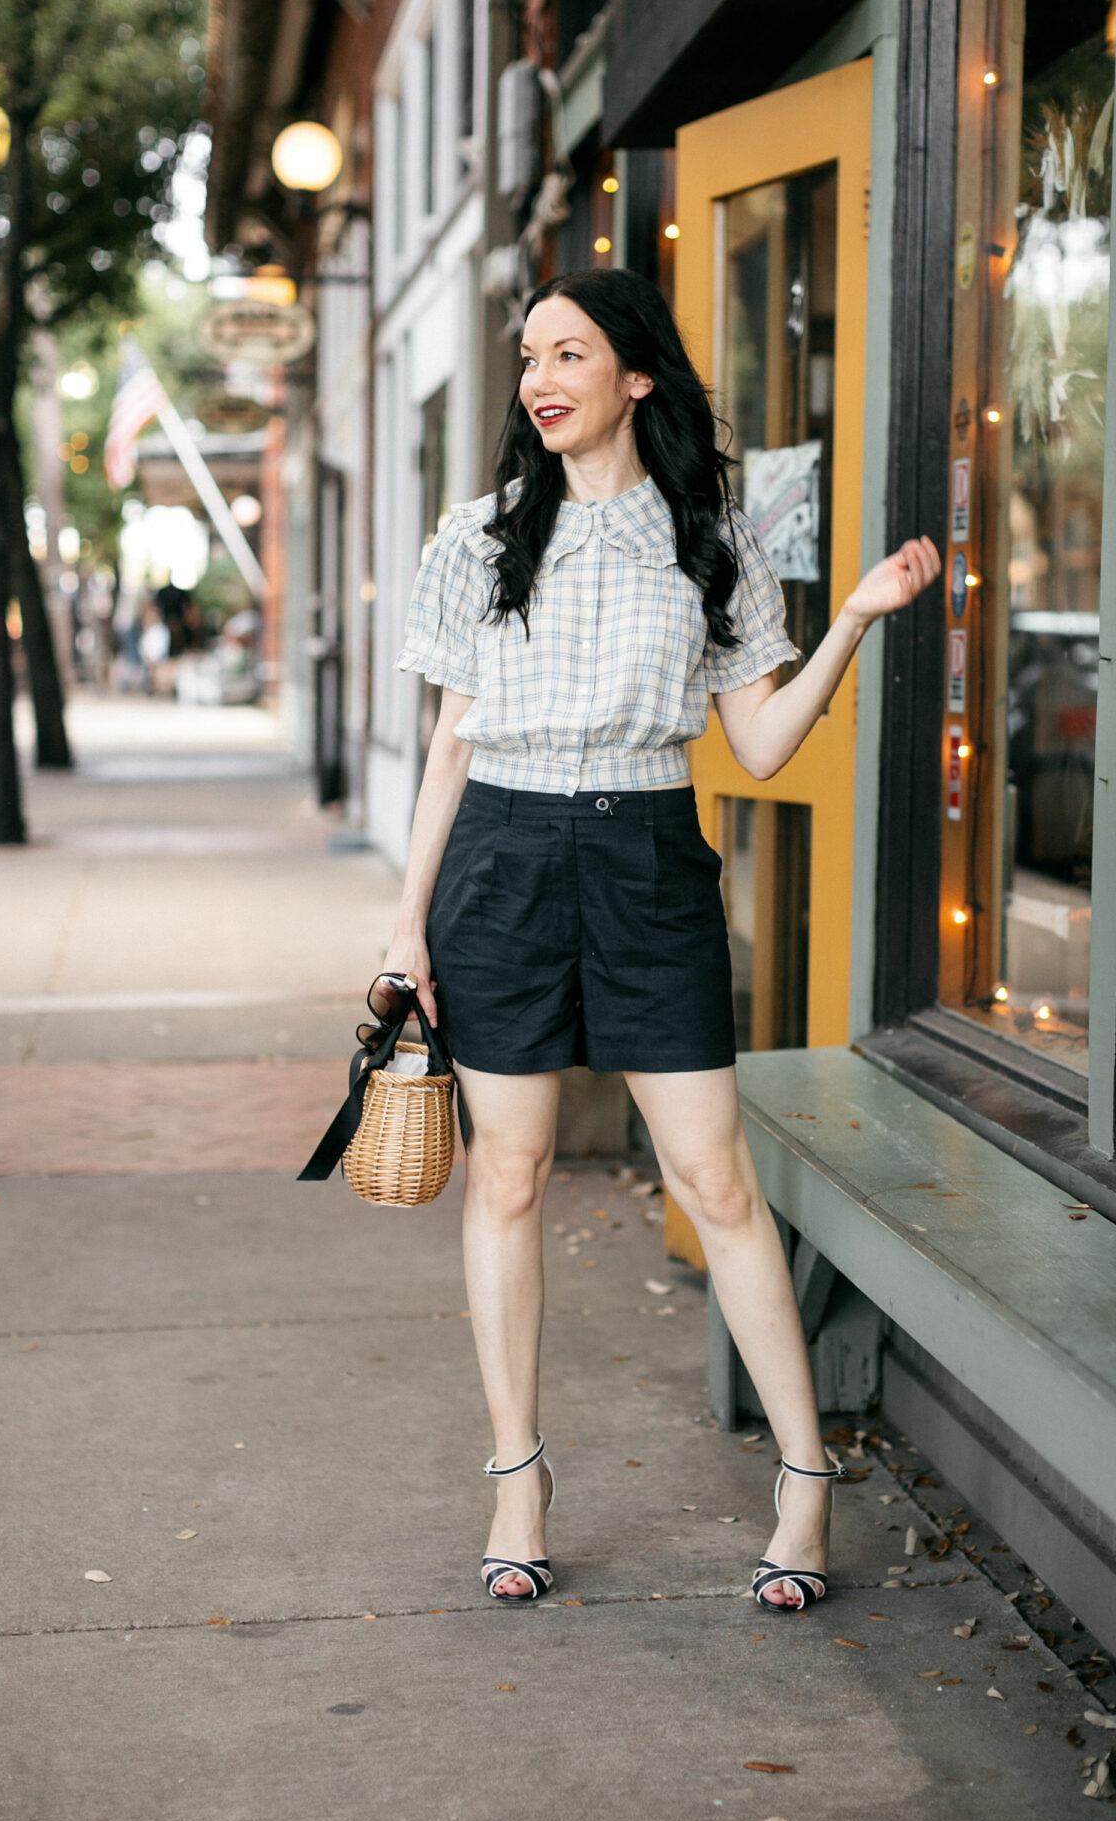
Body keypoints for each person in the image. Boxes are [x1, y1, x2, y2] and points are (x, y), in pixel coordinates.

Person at [387, 269, 939, 1611]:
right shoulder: (479, 538)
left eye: (569, 352)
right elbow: (450, 749)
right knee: (506, 1177)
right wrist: (407, 926)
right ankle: (518, 1476)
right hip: (503, 865)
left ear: (637, 375)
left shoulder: (710, 538)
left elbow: (752, 742)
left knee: (718, 1181)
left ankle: (805, 1484)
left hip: (646, 860)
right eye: (530, 356)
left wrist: (852, 625)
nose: (540, 378)